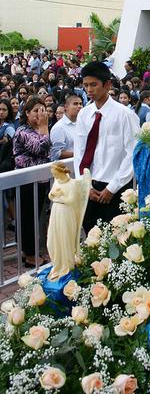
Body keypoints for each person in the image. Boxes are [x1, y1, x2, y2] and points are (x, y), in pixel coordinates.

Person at [74, 62, 140, 233]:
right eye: (86, 85)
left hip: (115, 188)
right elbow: (79, 152)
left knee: (115, 240)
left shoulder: (125, 115)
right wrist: (85, 185)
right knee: (90, 236)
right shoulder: (84, 114)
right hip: (90, 186)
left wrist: (112, 187)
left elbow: (132, 153)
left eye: (94, 84)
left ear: (108, 85)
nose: (89, 89)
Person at [13, 96, 51, 267]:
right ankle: (28, 254)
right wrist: (44, 126)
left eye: (42, 110)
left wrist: (43, 128)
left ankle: (30, 250)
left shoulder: (40, 130)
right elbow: (41, 149)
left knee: (36, 217)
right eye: (36, 111)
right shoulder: (22, 131)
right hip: (26, 181)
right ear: (26, 113)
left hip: (40, 180)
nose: (40, 114)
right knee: (27, 218)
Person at [47, 162, 91, 281]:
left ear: (62, 172)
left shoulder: (73, 184)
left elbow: (71, 200)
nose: (55, 177)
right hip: (56, 212)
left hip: (66, 214)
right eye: (54, 175)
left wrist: (59, 196)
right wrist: (55, 195)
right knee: (53, 240)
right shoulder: (57, 181)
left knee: (65, 239)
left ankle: (66, 266)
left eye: (56, 174)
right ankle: (57, 265)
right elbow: (50, 196)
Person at [50, 94, 83, 161]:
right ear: (66, 107)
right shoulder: (59, 127)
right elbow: (56, 153)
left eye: (80, 104)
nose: (79, 106)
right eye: (75, 104)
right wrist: (79, 154)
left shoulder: (82, 123)